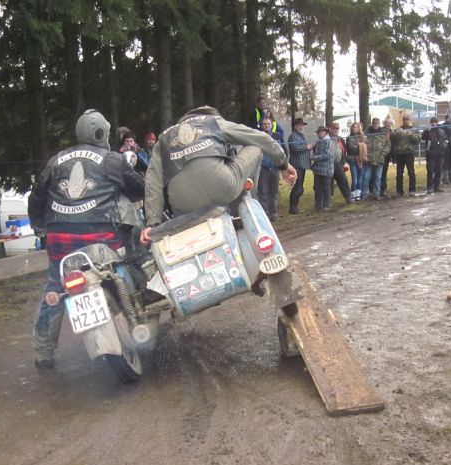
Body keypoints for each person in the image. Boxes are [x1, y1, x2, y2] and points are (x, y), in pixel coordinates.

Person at [28, 109, 145, 370]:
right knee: (133, 255)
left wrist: (39, 226)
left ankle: (43, 351)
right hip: (102, 240)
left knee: (55, 286)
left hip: (60, 243)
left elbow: (36, 198)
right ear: (101, 133)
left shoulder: (55, 161)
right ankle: (143, 301)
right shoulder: (112, 159)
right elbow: (139, 189)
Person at [141, 106, 296, 238]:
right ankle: (243, 204)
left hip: (183, 206)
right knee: (256, 147)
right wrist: (283, 164)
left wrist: (152, 223)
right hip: (223, 187)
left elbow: (152, 181)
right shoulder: (212, 121)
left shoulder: (163, 138)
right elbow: (261, 138)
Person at [257, 116, 285, 220]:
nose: (267, 125)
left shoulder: (277, 136)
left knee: (274, 192)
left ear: (271, 125)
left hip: (275, 168)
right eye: (264, 124)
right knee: (263, 192)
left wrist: (283, 165)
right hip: (263, 169)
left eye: (268, 124)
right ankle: (265, 215)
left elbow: (283, 150)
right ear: (261, 125)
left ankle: (274, 213)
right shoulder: (258, 136)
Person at [391, 114, 421, 196]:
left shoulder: (414, 130)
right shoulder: (398, 129)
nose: (405, 121)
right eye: (404, 119)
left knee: (411, 172)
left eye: (407, 119)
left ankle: (412, 190)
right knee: (399, 173)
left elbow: (417, 140)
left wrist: (410, 135)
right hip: (399, 153)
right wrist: (396, 134)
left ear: (410, 120)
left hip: (409, 153)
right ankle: (399, 190)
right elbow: (392, 138)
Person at [361, 117, 390, 200]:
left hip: (379, 159)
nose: (375, 125)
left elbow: (388, 145)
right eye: (374, 123)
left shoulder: (383, 133)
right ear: (372, 124)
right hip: (368, 160)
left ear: (379, 124)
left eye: (377, 123)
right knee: (366, 177)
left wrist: (382, 154)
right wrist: (366, 155)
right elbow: (363, 145)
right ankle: (364, 195)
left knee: (378, 177)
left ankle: (376, 194)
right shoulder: (366, 133)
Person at [287, 117, 311, 215]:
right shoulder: (293, 136)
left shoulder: (300, 136)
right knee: (298, 188)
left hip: (301, 166)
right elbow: (295, 148)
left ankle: (294, 207)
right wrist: (306, 147)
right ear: (295, 126)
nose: (301, 127)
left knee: (299, 187)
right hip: (296, 165)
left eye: (302, 125)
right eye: (299, 125)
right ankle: (293, 208)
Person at [310, 125, 334, 211]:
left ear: (326, 132)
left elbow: (327, 155)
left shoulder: (329, 142)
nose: (320, 133)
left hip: (326, 170)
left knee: (326, 188)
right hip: (318, 170)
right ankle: (318, 206)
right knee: (317, 188)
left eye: (322, 131)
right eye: (319, 132)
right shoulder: (318, 142)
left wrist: (314, 157)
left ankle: (327, 205)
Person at [328, 122, 351, 204]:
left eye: (337, 128)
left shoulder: (340, 139)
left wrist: (342, 163)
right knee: (329, 183)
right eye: (334, 128)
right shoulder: (326, 138)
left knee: (343, 181)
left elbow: (344, 152)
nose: (336, 130)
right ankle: (328, 201)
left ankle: (349, 198)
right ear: (330, 129)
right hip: (328, 165)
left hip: (338, 164)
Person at [423, 117, 447, 193]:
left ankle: (437, 186)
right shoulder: (428, 131)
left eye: (435, 122)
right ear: (430, 123)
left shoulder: (441, 131)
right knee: (430, 171)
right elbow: (423, 138)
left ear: (437, 122)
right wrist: (426, 131)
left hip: (440, 154)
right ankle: (429, 187)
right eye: (432, 122)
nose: (433, 123)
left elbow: (445, 139)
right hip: (431, 155)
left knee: (438, 171)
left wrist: (444, 147)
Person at [344, 122, 364, 202]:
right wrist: (361, 146)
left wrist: (358, 146)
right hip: (352, 160)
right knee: (355, 179)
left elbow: (366, 146)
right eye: (353, 127)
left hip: (361, 160)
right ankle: (352, 194)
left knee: (360, 179)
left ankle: (358, 194)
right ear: (351, 128)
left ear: (359, 128)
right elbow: (351, 148)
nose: (355, 128)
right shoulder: (349, 138)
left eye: (356, 127)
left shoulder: (362, 137)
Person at [378, 116, 395, 197]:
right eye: (387, 123)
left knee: (384, 173)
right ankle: (377, 190)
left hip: (387, 156)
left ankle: (383, 190)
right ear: (384, 124)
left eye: (390, 123)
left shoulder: (392, 132)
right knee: (378, 174)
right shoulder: (380, 131)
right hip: (380, 155)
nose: (388, 124)